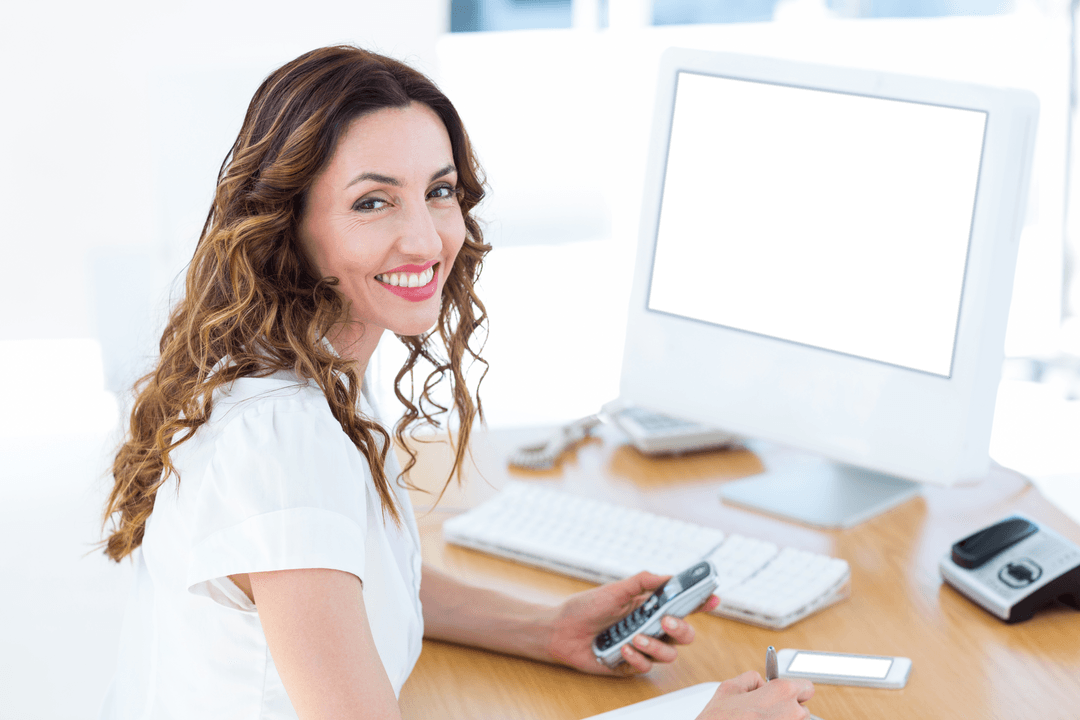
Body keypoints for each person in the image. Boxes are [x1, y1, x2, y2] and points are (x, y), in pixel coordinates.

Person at [97, 45, 815, 720]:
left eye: (439, 191)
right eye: (373, 202)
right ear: (288, 222)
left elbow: (345, 578)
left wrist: (545, 627)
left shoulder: (307, 359)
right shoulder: (282, 436)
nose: (427, 238)